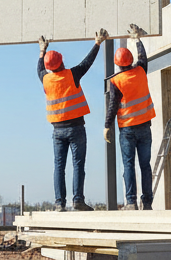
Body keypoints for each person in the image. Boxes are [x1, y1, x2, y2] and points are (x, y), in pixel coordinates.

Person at [38, 28, 108, 211]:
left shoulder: (45, 79)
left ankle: (59, 204)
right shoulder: (71, 75)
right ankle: (78, 200)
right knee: (78, 165)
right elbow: (87, 63)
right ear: (61, 62)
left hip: (57, 131)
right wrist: (97, 43)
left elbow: (39, 67)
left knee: (59, 167)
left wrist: (42, 50)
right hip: (76, 128)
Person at [104, 23, 155, 210]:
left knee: (128, 165)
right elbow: (143, 57)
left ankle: (131, 202)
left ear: (117, 64)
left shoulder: (116, 81)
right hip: (144, 127)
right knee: (145, 166)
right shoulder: (141, 70)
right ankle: (147, 202)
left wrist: (107, 126)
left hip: (127, 129)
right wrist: (137, 39)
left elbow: (113, 105)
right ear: (130, 61)